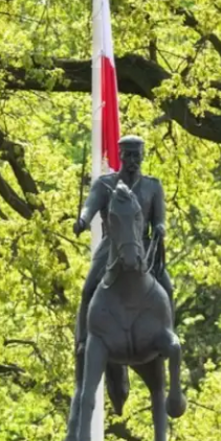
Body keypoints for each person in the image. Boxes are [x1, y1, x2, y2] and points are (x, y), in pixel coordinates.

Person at [72, 135, 173, 352]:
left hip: (143, 245)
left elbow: (159, 218)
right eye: (128, 155)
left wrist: (160, 228)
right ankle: (83, 340)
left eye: (136, 155)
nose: (132, 160)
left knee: (168, 287)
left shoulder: (152, 186)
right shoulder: (105, 184)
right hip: (112, 245)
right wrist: (82, 220)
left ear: (142, 156)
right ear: (120, 155)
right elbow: (90, 206)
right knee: (89, 288)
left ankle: (168, 333)